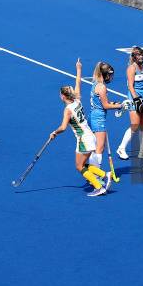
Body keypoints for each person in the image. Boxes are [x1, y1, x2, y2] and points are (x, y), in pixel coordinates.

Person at [50, 59, 112, 197]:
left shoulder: (67, 110)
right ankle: (104, 174)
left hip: (83, 140)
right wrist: (78, 69)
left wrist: (54, 133)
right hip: (91, 137)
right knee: (82, 164)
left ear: (62, 96)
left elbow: (63, 127)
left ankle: (98, 186)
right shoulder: (77, 99)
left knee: (79, 166)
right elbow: (78, 82)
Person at [116, 46, 143, 160]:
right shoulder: (131, 68)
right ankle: (121, 148)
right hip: (134, 98)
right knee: (135, 125)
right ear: (134, 57)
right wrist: (136, 99)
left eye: (142, 54)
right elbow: (130, 86)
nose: (141, 57)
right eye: (139, 55)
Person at [88, 61, 123, 167]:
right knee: (99, 148)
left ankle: (92, 170)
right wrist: (119, 106)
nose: (112, 78)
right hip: (99, 119)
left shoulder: (96, 84)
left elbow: (102, 102)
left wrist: (114, 103)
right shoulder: (102, 87)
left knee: (94, 146)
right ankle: (96, 173)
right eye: (111, 76)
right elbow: (105, 106)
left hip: (93, 116)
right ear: (107, 74)